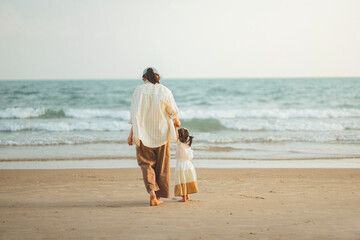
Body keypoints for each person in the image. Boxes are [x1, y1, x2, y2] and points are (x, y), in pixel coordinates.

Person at [127, 67, 181, 206]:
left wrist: (131, 134)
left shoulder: (138, 90)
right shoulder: (165, 90)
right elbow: (173, 111)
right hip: (162, 133)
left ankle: (151, 191)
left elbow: (134, 114)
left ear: (144, 78)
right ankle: (158, 197)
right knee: (162, 166)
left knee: (146, 164)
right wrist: (176, 122)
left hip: (142, 133)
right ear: (158, 77)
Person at [174, 128, 199, 202]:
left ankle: (184, 197)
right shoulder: (188, 145)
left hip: (181, 165)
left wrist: (175, 126)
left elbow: (175, 135)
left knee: (182, 181)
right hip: (189, 165)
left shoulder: (179, 144)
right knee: (187, 180)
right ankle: (187, 195)